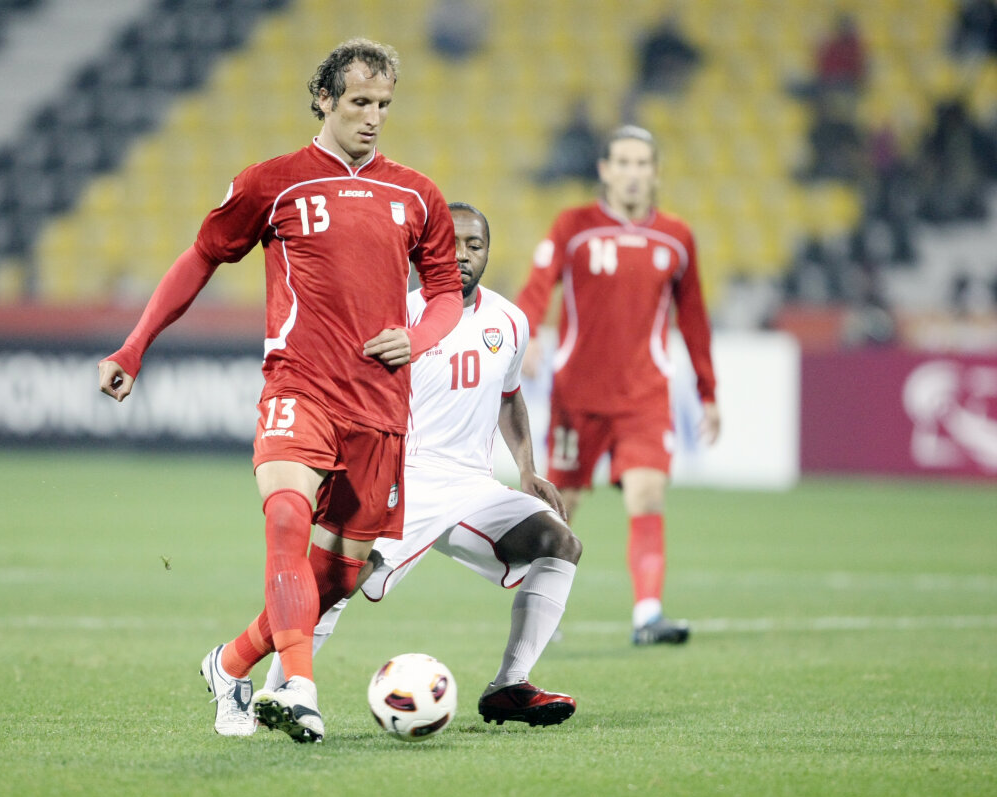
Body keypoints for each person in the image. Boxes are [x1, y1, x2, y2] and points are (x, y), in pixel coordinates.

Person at [97, 39, 462, 743]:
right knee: (288, 518)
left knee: (338, 579)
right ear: (324, 99)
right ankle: (298, 686)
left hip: (380, 406)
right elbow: (201, 257)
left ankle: (229, 664)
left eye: (383, 104)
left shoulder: (417, 194)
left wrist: (418, 340)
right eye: (359, 102)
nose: (373, 117)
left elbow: (445, 290)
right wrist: (133, 347)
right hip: (300, 386)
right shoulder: (274, 183)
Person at [261, 203, 583, 727]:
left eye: (475, 245)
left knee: (560, 543)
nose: (462, 256)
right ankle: (276, 693)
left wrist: (527, 469)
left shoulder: (510, 321)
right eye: (450, 244)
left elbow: (509, 396)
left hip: (472, 486)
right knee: (338, 581)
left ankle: (509, 684)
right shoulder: (397, 314)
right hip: (402, 477)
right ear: (425, 251)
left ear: (488, 252)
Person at [516, 125, 720, 646]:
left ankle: (648, 615)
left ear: (655, 173)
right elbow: (537, 286)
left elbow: (694, 320)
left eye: (642, 164)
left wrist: (708, 393)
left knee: (647, 494)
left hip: (644, 396)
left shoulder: (676, 237)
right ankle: (541, 613)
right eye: (623, 163)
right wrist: (527, 336)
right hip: (577, 396)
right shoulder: (574, 226)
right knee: (561, 505)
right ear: (605, 170)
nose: (633, 173)